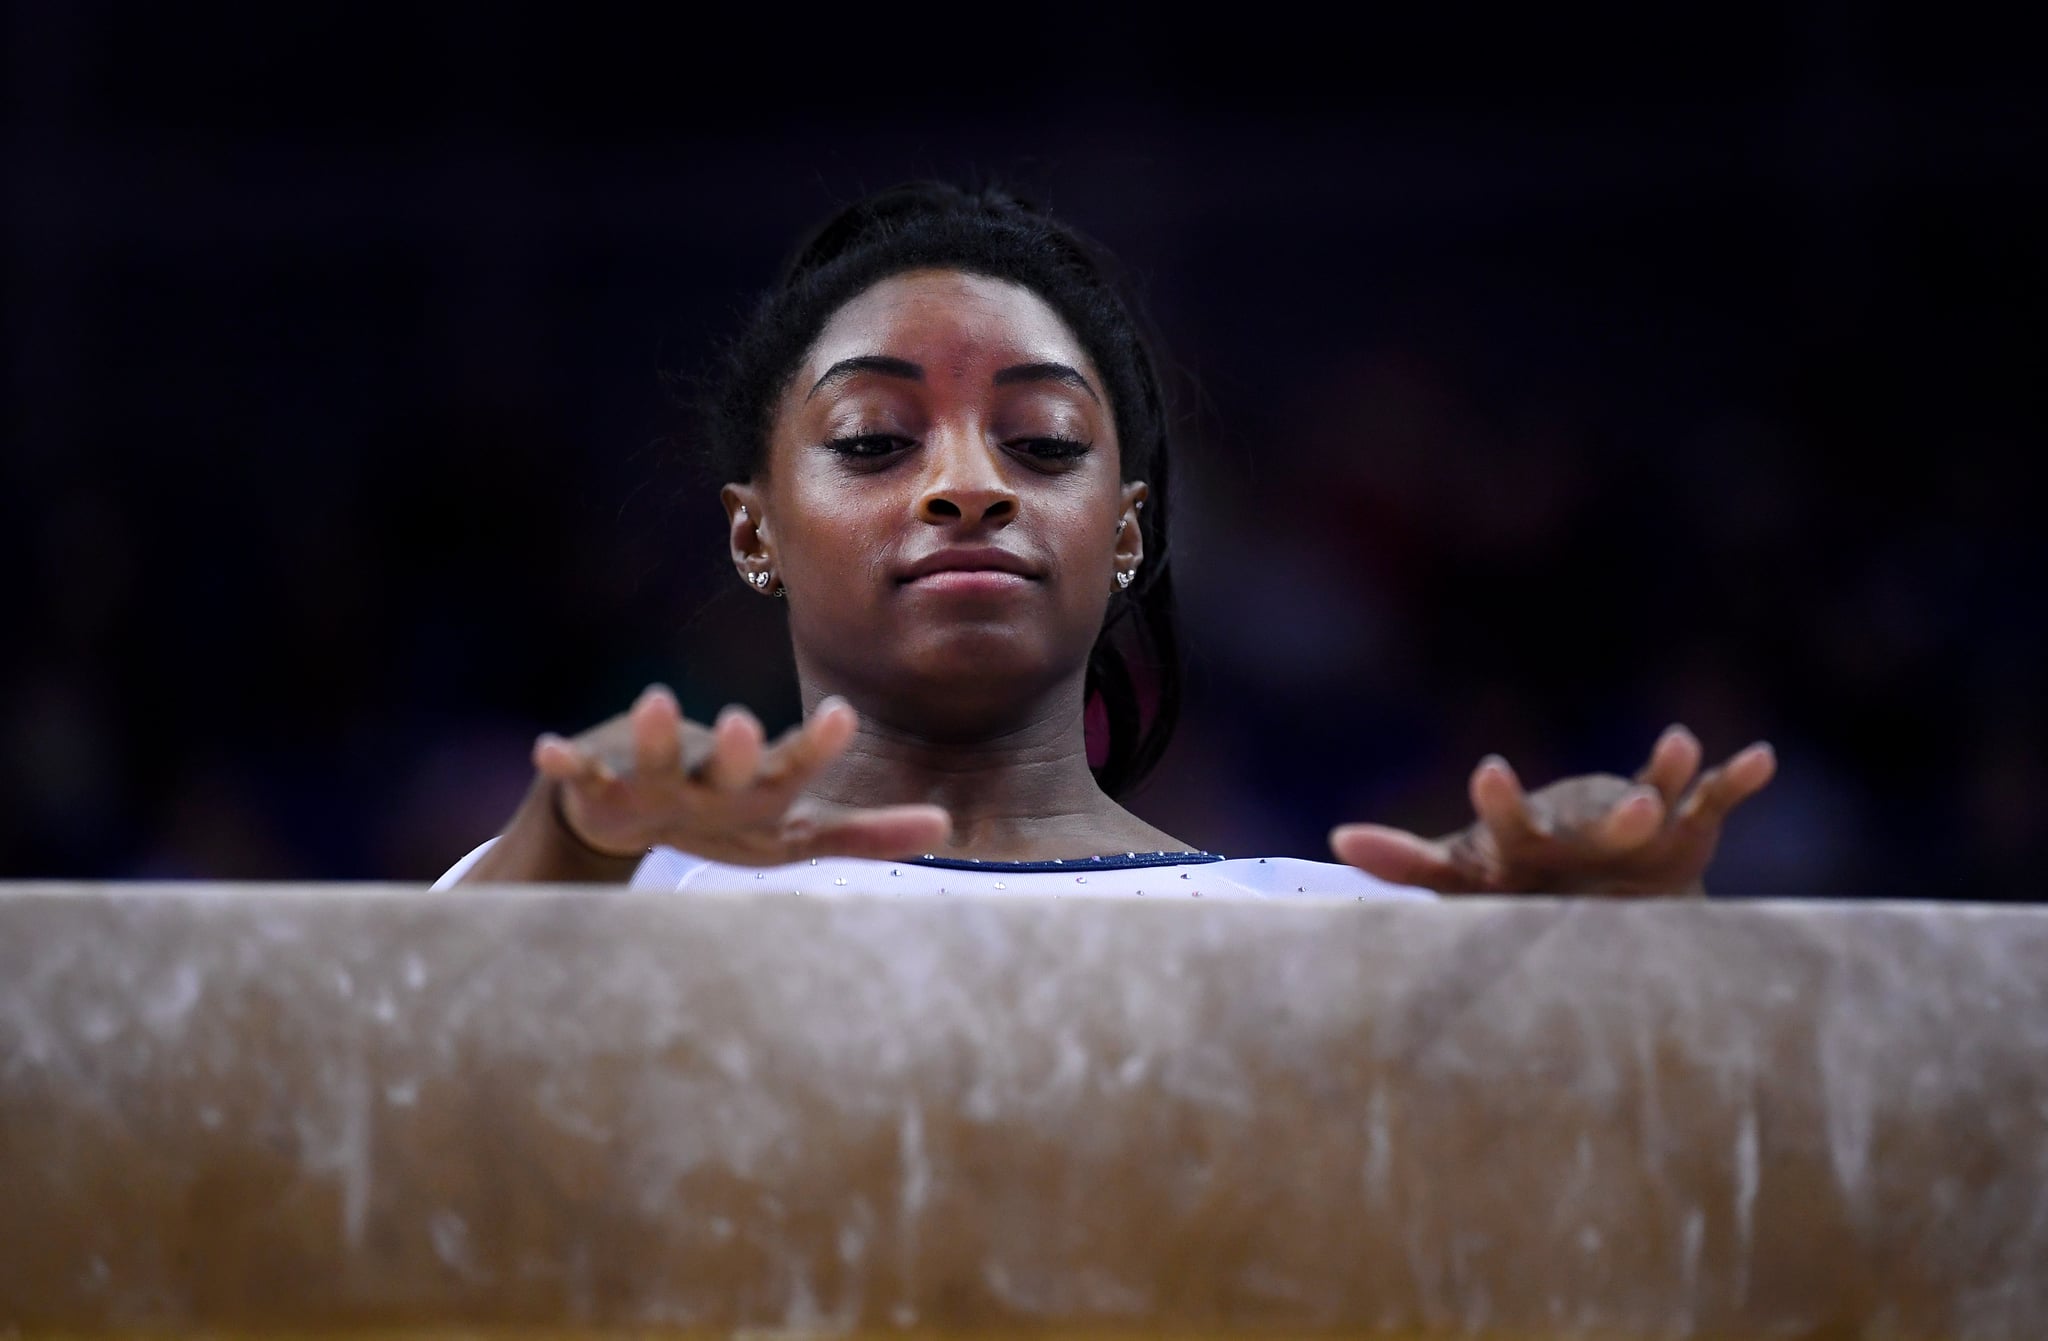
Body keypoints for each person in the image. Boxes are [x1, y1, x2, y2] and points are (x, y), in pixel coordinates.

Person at [437, 183, 1774, 900]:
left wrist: (1636, 951)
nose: (966, 487)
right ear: (754, 531)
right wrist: (562, 844)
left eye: (1042, 443)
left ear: (1128, 534)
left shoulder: (1332, 933)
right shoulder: (597, 898)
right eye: (874, 441)